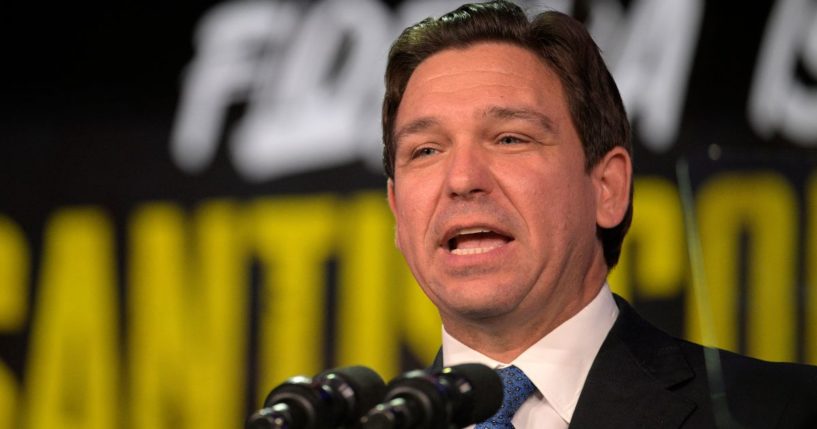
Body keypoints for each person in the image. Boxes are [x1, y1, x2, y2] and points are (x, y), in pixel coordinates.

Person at [381, 1, 817, 427]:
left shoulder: (783, 410)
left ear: (607, 188)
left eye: (510, 138)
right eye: (425, 150)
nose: (461, 178)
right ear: (398, 211)